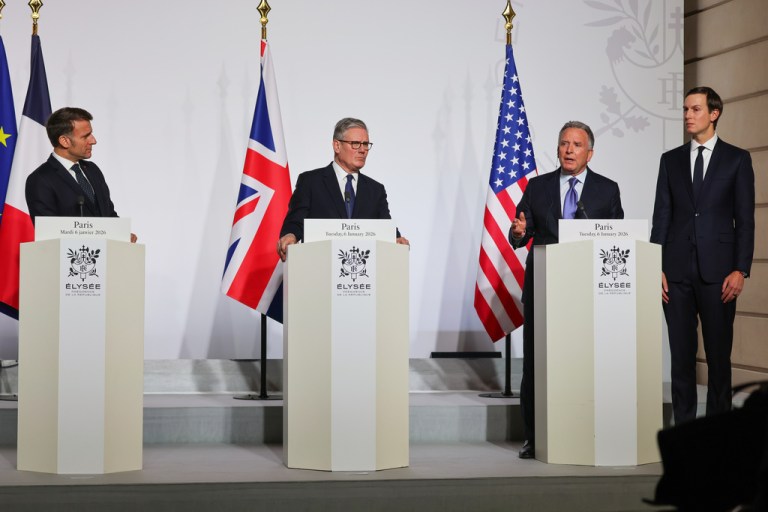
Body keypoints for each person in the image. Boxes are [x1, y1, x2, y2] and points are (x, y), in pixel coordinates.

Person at [508, 121, 624, 459]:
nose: (569, 150)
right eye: (563, 144)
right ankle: (534, 436)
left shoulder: (607, 190)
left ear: (590, 152)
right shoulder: (538, 186)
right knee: (535, 364)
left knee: (583, 362)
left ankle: (584, 430)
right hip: (544, 288)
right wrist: (517, 232)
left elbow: (616, 237)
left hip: (588, 292)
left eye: (576, 144)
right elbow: (520, 234)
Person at [650, 86, 754, 425]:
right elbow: (661, 216)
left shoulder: (737, 159)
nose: (687, 116)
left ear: (714, 113)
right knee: (680, 359)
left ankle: (718, 439)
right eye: (684, 110)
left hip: (720, 274)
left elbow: (746, 219)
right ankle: (684, 435)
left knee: (718, 359)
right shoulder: (670, 160)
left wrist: (741, 269)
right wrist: (655, 266)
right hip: (675, 274)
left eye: (695, 109)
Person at [277, 117, 408, 260]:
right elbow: (295, 221)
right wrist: (291, 235)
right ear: (337, 146)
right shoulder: (311, 182)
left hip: (362, 273)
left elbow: (384, 227)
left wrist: (396, 239)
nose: (363, 150)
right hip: (320, 266)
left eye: (365, 144)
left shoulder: (375, 190)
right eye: (356, 144)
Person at [25, 107, 137, 243]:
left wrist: (121, 234)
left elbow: (108, 213)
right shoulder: (40, 179)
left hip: (107, 258)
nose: (93, 141)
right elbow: (49, 236)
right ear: (64, 141)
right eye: (85, 136)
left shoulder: (92, 170)